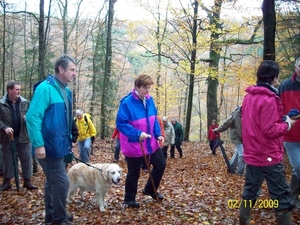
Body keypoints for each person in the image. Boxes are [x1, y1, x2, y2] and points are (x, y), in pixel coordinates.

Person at [240, 60, 295, 225]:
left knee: (250, 190)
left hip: (253, 153)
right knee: (280, 195)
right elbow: (269, 130)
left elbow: (256, 124)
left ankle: (244, 220)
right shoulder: (269, 99)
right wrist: (287, 124)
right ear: (274, 77)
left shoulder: (249, 97)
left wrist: (282, 119)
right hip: (268, 154)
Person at [26, 55, 77, 225]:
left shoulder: (66, 91)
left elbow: (66, 118)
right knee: (62, 182)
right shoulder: (45, 89)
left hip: (61, 146)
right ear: (60, 69)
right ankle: (59, 219)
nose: (74, 74)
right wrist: (38, 144)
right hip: (47, 147)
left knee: (52, 182)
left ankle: (52, 215)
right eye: (72, 70)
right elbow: (33, 117)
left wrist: (72, 135)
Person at [116, 74, 166, 208]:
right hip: (134, 144)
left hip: (151, 143)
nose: (147, 90)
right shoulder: (127, 102)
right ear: (137, 87)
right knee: (134, 173)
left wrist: (158, 134)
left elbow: (154, 119)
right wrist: (137, 134)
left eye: (149, 88)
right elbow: (121, 124)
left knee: (161, 164)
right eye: (144, 87)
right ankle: (129, 199)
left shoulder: (150, 100)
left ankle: (150, 189)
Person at [0, 81, 37, 191]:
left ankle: (27, 181)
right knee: (8, 160)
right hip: (7, 138)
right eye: (17, 89)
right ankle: (7, 182)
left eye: (19, 89)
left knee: (26, 159)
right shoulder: (1, 103)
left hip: (24, 136)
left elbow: (33, 115)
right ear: (9, 90)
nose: (19, 91)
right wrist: (4, 127)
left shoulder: (26, 102)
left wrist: (28, 118)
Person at [278, 57, 300, 210]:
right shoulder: (285, 85)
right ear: (295, 67)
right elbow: (277, 107)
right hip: (291, 136)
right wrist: (285, 120)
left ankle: (292, 198)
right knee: (299, 166)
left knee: (296, 169)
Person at [213, 106, 245, 175]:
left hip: (245, 138)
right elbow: (226, 123)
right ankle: (240, 173)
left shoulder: (249, 114)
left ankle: (231, 167)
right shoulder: (236, 114)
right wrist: (217, 130)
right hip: (236, 137)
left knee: (238, 153)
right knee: (242, 154)